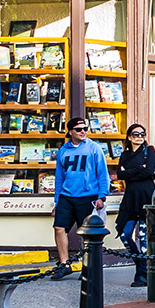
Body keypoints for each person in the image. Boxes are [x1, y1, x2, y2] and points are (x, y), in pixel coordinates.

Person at [50, 118, 109, 279]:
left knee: (88, 233)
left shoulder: (94, 148)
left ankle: (88, 266)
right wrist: (57, 201)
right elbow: (59, 177)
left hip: (88, 196)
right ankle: (64, 264)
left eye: (85, 128)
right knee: (59, 227)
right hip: (66, 196)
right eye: (78, 129)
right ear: (70, 132)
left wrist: (102, 196)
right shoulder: (63, 151)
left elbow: (102, 173)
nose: (83, 131)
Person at [114, 123, 155, 287]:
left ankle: (142, 274)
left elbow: (149, 171)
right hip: (130, 198)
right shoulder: (125, 154)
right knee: (125, 234)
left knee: (143, 237)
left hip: (146, 196)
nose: (140, 137)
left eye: (143, 134)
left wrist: (129, 172)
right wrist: (138, 170)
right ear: (129, 137)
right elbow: (120, 175)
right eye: (136, 134)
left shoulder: (149, 151)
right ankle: (140, 265)